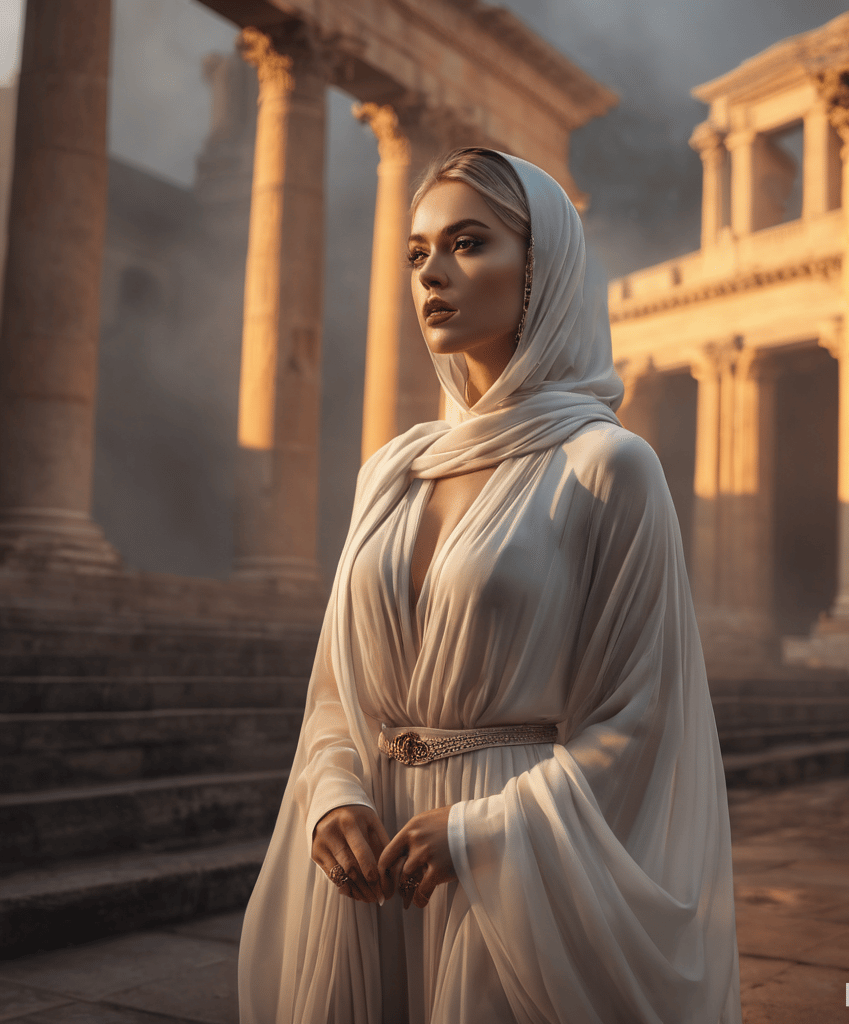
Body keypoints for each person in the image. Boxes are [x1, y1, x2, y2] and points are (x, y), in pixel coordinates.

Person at [237, 147, 742, 1024]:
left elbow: (641, 714)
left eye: (469, 243)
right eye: (417, 251)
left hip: (511, 863)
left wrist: (482, 831)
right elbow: (335, 692)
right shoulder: (390, 471)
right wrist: (333, 795)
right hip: (371, 863)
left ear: (541, 268)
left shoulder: (609, 465)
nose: (432, 271)